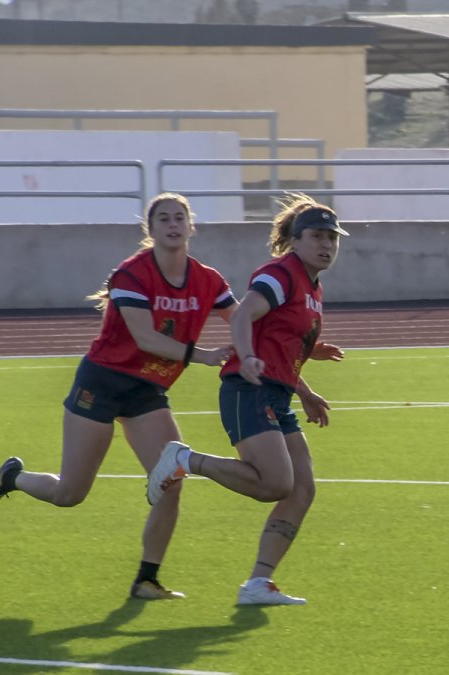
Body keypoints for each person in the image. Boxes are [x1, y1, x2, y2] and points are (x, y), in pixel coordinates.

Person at [0, 192, 237, 600]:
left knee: (171, 480)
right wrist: (204, 356)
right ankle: (13, 477)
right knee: (70, 494)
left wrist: (290, 347)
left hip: (147, 391)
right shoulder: (132, 273)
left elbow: (242, 322)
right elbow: (146, 338)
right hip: (103, 383)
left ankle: (146, 580)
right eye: (164, 218)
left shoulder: (209, 279)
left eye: (180, 217)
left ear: (191, 226)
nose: (173, 224)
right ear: (150, 231)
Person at [145, 193, 347, 606]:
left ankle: (258, 584)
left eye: (333, 237)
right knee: (275, 483)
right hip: (247, 387)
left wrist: (306, 385)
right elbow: (241, 317)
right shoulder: (282, 274)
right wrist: (249, 356)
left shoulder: (312, 284)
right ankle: (185, 460)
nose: (327, 244)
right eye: (317, 236)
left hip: (275, 390)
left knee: (302, 488)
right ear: (296, 239)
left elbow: (281, 341)